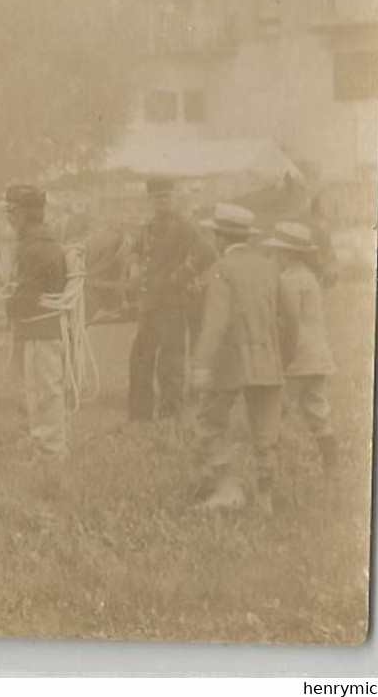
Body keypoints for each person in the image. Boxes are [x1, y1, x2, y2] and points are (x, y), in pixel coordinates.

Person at [189, 203, 284, 511]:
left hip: (229, 361)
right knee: (265, 429)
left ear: (220, 238)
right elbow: (289, 319)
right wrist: (285, 356)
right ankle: (265, 498)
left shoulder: (222, 269)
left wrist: (202, 364)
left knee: (209, 422)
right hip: (268, 359)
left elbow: (216, 321)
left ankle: (228, 488)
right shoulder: (269, 267)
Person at [128, 178, 217, 424]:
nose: (163, 202)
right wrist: (134, 268)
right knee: (140, 358)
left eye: (167, 197)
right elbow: (135, 250)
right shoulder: (149, 227)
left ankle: (170, 416)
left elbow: (208, 252)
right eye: (158, 198)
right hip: (148, 306)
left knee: (170, 363)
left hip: (172, 306)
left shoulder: (184, 226)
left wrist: (180, 274)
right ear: (151, 200)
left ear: (173, 198)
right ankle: (140, 416)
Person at [263, 222, 339, 473]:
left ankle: (268, 463)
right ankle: (331, 463)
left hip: (297, 357)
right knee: (318, 409)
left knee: (274, 409)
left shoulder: (290, 280)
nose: (274, 257)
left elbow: (287, 320)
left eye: (277, 252)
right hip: (317, 357)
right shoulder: (309, 277)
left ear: (289, 254)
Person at [3, 184, 70, 463]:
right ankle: (42, 445)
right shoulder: (44, 245)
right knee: (38, 391)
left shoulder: (35, 250)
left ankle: (51, 452)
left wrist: (9, 302)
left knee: (44, 392)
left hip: (39, 330)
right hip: (39, 329)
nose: (9, 219)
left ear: (20, 215)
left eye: (11, 213)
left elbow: (26, 298)